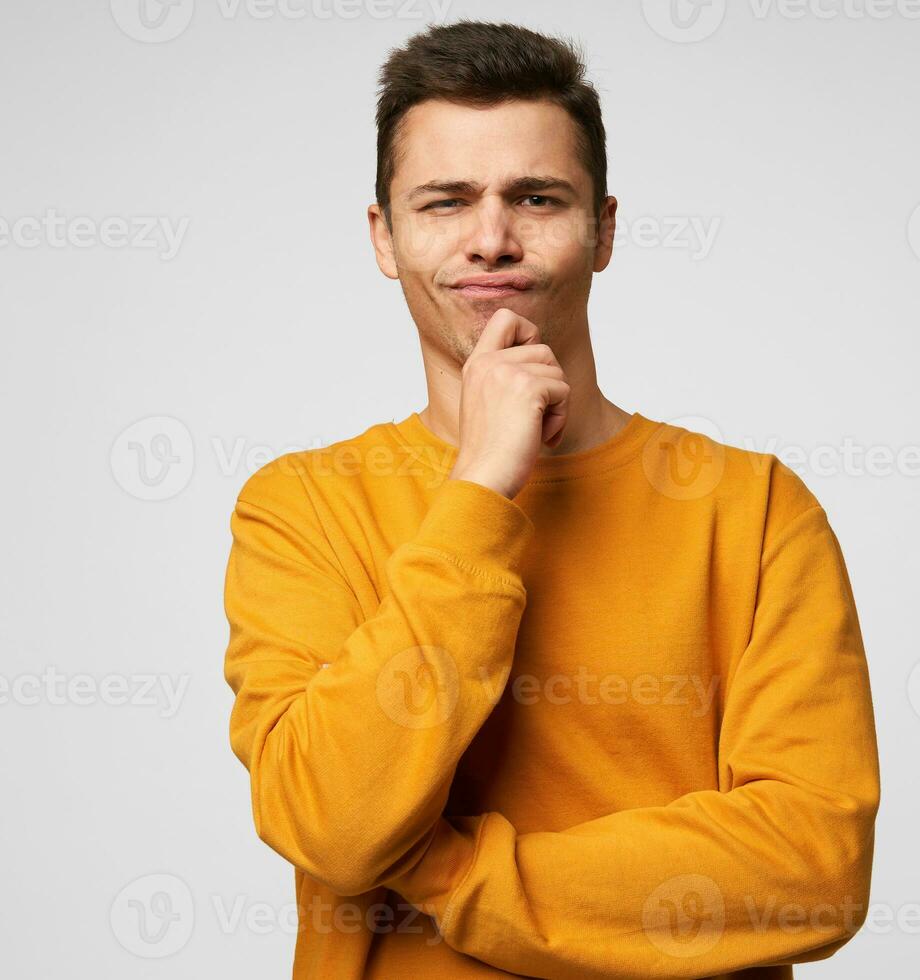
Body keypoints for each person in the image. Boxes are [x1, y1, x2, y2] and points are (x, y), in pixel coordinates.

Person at [222, 20, 880, 979]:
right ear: (384, 237)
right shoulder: (301, 508)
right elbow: (331, 820)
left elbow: (814, 865)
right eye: (445, 202)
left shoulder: (757, 510)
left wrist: (452, 877)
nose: (491, 238)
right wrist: (481, 488)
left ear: (604, 229)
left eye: (536, 198)